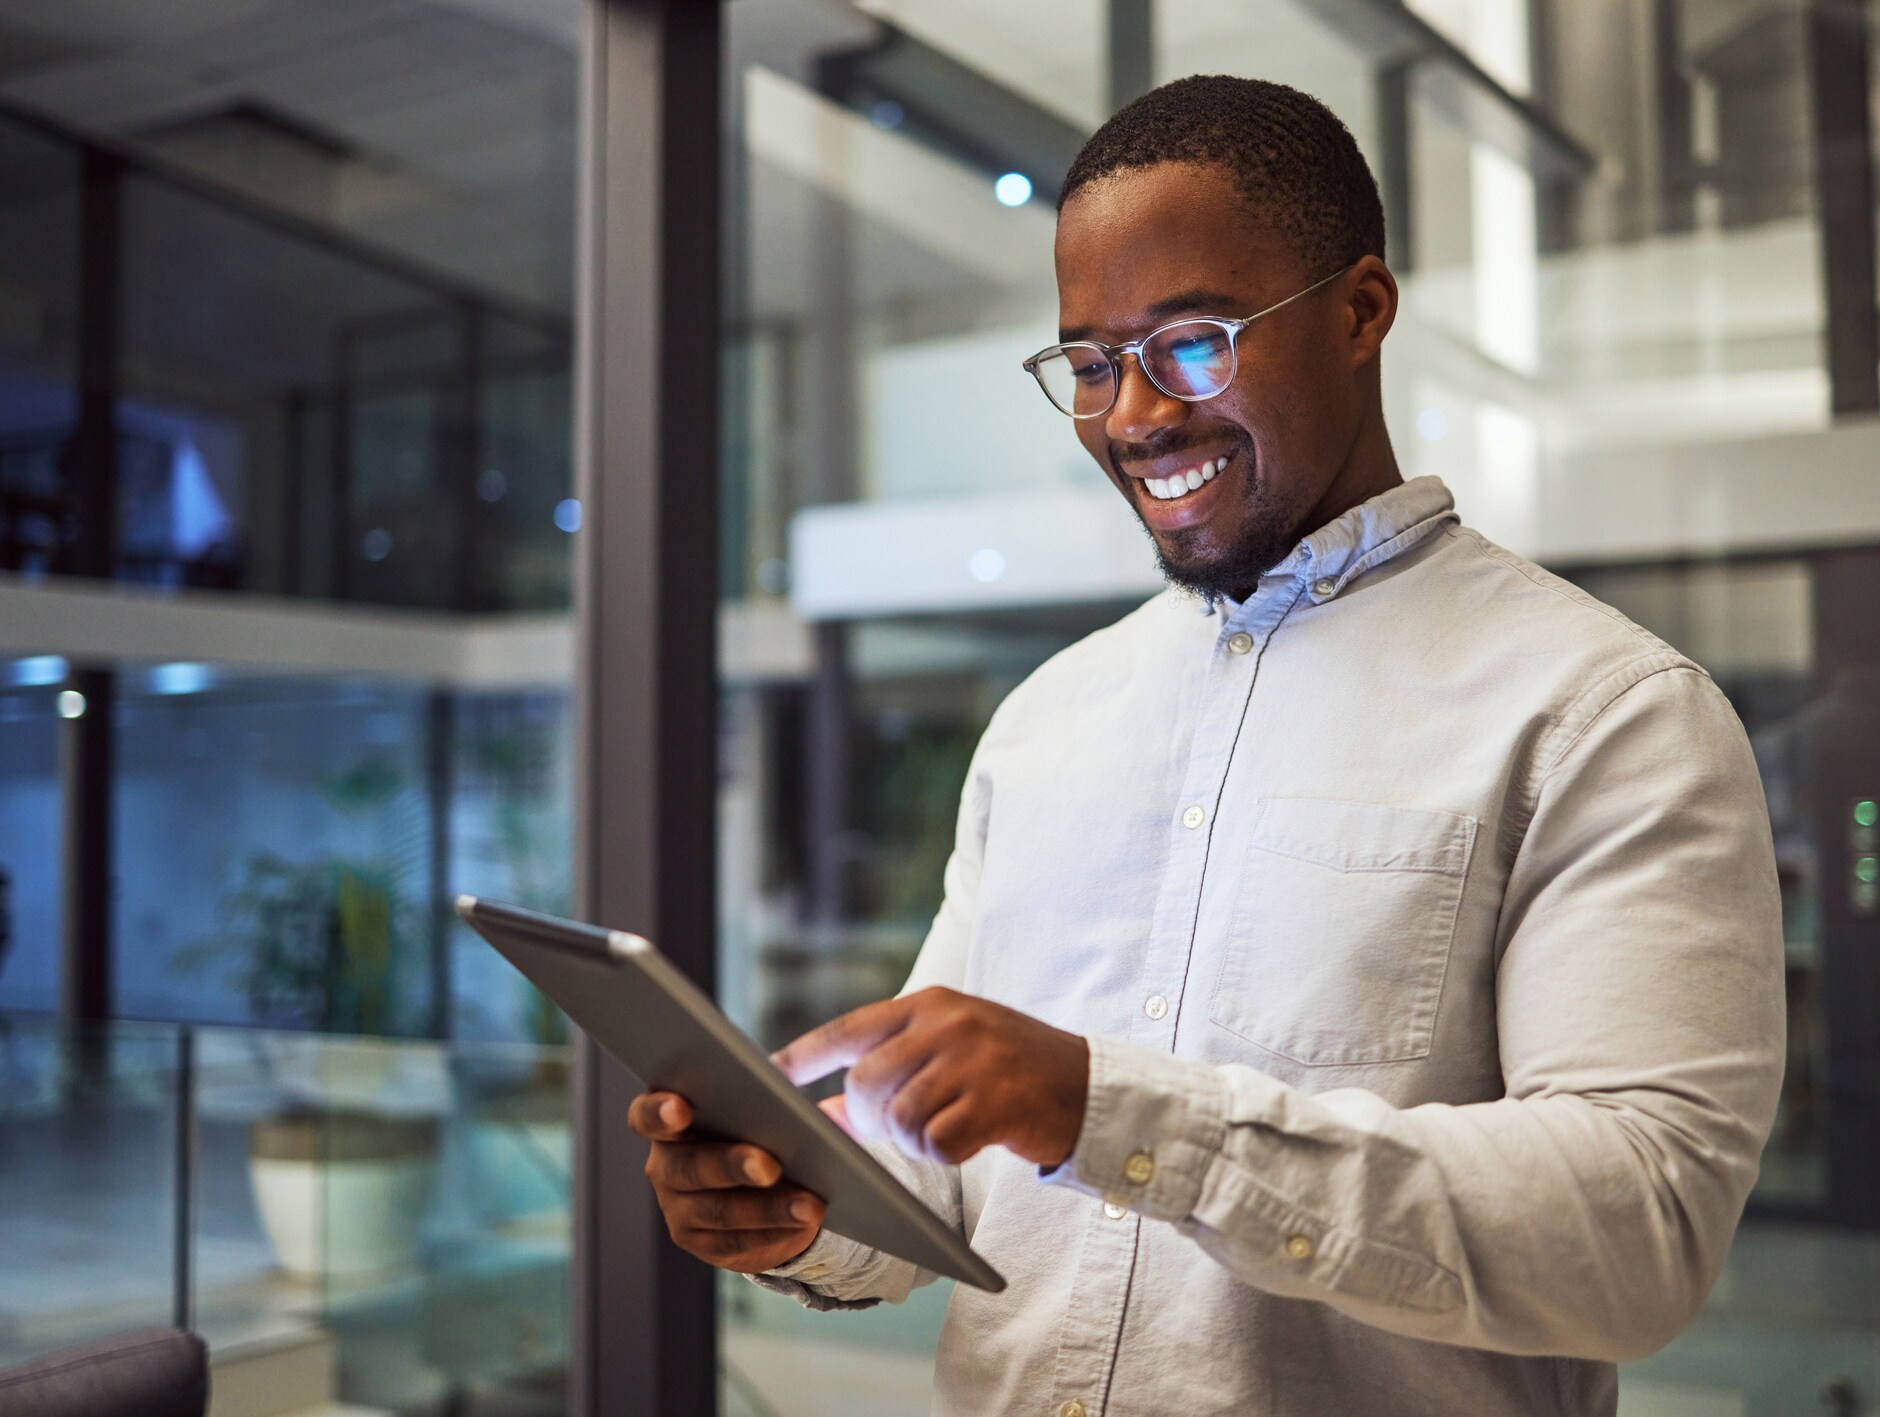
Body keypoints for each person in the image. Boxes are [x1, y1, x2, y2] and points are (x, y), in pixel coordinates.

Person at [630, 74, 1785, 1416]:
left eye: (1193, 343)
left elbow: (1636, 1237)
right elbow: (948, 1175)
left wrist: (1109, 1115)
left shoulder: (1604, 712)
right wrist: (796, 1208)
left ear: (1361, 312)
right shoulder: (1047, 720)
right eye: (1092, 361)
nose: (1132, 416)